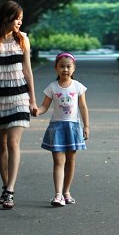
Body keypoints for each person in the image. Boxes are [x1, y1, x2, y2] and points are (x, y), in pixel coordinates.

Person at [0, 0, 38, 210]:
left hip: (19, 98)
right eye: (17, 17)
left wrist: (33, 100)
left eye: (21, 18)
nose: (20, 21)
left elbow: (28, 71)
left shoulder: (23, 40)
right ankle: (5, 186)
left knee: (13, 143)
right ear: (7, 17)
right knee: (1, 145)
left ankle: (10, 190)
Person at [36, 52, 90, 207]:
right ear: (56, 68)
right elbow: (44, 106)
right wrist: (36, 111)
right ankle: (58, 194)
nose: (65, 69)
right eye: (61, 66)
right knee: (58, 161)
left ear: (73, 69)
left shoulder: (78, 86)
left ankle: (66, 192)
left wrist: (86, 126)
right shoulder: (52, 87)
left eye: (68, 66)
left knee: (71, 161)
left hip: (73, 127)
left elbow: (83, 107)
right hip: (57, 127)